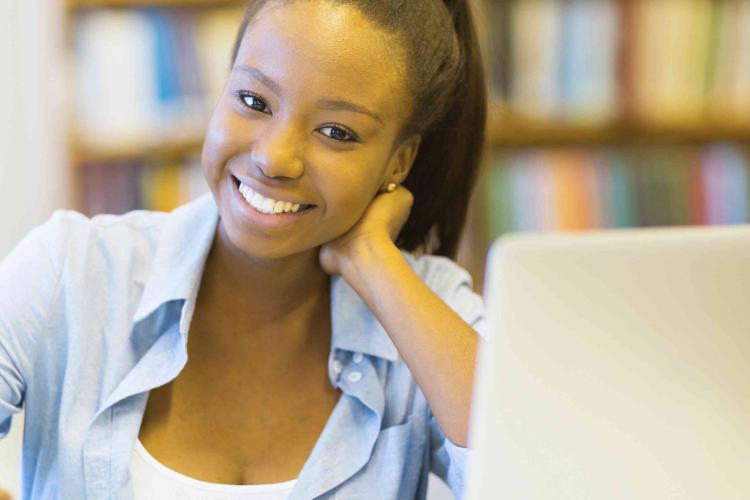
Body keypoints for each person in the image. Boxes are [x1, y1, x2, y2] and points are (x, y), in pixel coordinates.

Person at [0, 0, 487, 498]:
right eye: (254, 101)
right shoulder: (73, 269)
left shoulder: (429, 310)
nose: (274, 158)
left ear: (398, 163)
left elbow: (540, 471)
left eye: (336, 132)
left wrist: (371, 257)